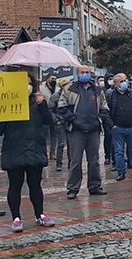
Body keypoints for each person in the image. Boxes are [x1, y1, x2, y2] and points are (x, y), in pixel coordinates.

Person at [0, 73, 55, 232]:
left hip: (34, 149)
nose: (27, 86)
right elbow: (0, 128)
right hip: (14, 149)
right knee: (15, 186)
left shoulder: (38, 102)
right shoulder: (9, 103)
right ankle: (16, 218)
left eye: (29, 83)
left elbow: (49, 121)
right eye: (23, 83)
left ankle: (39, 215)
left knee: (35, 185)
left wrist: (43, 105)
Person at [58, 66, 112, 200]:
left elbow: (104, 107)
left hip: (93, 129)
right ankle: (73, 188)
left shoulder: (97, 90)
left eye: (87, 72)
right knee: (75, 161)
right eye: (83, 72)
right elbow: (62, 107)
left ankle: (94, 186)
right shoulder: (69, 89)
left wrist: (100, 119)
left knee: (94, 160)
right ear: (78, 74)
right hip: (76, 130)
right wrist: (74, 120)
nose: (85, 74)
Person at [108, 73, 132, 182]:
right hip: (118, 128)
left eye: (124, 80)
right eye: (121, 81)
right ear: (116, 84)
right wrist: (112, 126)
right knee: (119, 151)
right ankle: (121, 172)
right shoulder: (111, 95)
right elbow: (106, 112)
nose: (124, 83)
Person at [48, 78, 70, 171]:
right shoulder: (55, 96)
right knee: (61, 144)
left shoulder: (71, 95)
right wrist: (56, 120)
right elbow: (50, 110)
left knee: (71, 144)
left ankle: (71, 163)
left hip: (69, 121)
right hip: (60, 122)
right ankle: (59, 163)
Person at [40, 74, 59, 161]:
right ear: (47, 79)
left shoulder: (57, 89)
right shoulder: (41, 89)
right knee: (44, 134)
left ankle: (53, 152)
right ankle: (43, 152)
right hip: (44, 114)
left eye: (55, 78)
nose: (54, 80)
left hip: (54, 113)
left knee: (54, 134)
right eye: (52, 78)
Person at [102, 73, 115, 166]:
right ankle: (107, 156)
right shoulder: (103, 91)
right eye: (109, 79)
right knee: (107, 138)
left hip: (115, 118)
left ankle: (114, 157)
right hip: (106, 118)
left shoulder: (115, 89)